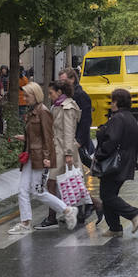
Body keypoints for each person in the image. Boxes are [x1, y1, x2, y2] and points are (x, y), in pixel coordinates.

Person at [8, 81, 76, 234]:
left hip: (39, 157)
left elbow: (48, 137)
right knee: (23, 190)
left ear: (35, 95)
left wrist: (46, 158)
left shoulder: (43, 112)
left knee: (37, 191)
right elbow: (37, 136)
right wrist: (25, 138)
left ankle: (67, 210)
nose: (24, 98)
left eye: (27, 95)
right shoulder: (33, 111)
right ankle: (25, 223)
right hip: (31, 156)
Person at [93, 89, 138, 237]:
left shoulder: (117, 118)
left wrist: (100, 155)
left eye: (112, 100)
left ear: (116, 102)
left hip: (114, 163)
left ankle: (134, 214)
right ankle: (114, 228)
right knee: (109, 194)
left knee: (107, 195)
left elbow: (112, 141)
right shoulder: (130, 118)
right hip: (126, 161)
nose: (110, 103)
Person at [38, 80, 82, 229]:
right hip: (57, 149)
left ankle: (53, 217)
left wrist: (68, 153)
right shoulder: (57, 106)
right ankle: (65, 212)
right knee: (62, 183)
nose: (49, 96)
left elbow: (69, 131)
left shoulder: (67, 107)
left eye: (51, 93)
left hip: (63, 150)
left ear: (59, 92)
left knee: (53, 182)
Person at [59, 66, 96, 223]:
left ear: (72, 79)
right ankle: (82, 206)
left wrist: (80, 141)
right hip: (70, 140)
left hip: (77, 142)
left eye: (64, 81)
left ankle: (88, 205)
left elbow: (86, 120)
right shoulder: (68, 95)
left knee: (76, 174)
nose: (61, 84)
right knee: (73, 175)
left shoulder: (80, 95)